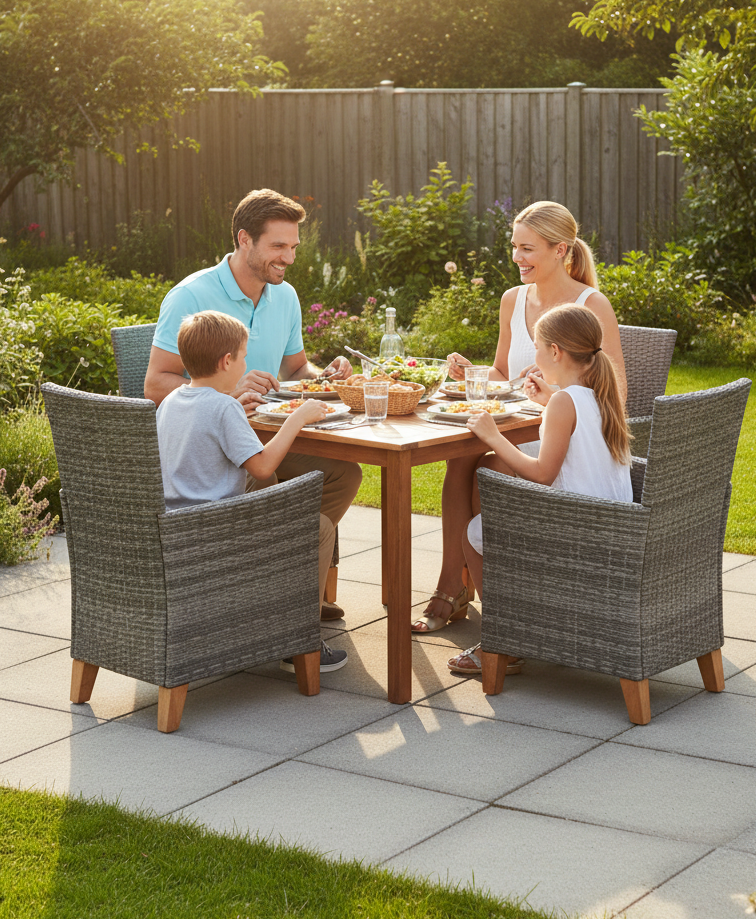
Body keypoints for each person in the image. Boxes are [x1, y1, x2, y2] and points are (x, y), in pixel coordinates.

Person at [145, 188, 361, 620]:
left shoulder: (285, 295)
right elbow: (154, 384)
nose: (288, 258)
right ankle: (283, 598)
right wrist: (225, 391)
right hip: (219, 449)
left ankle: (282, 582)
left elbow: (297, 369)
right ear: (245, 240)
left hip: (262, 437)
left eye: (293, 247)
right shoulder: (191, 297)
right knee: (285, 492)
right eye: (277, 246)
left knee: (341, 472)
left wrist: (327, 377)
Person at [413, 200, 627, 633]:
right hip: (518, 421)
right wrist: (469, 373)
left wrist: (559, 395)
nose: (517, 258)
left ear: (561, 250)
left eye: (528, 249)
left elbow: (616, 388)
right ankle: (453, 585)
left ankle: (506, 600)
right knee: (462, 459)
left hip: (556, 433)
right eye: (514, 247)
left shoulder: (590, 303)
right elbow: (501, 372)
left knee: (486, 468)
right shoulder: (513, 299)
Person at [156, 310, 348, 673]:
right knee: (317, 527)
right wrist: (297, 418)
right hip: (215, 533)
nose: (245, 365)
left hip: (177, 525)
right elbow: (263, 466)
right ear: (227, 361)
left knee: (274, 497)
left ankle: (278, 600)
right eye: (243, 357)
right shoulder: (223, 406)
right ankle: (297, 638)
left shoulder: (173, 401)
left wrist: (238, 420)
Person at [446, 302, 633, 673]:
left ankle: (503, 638)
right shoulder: (597, 394)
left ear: (556, 352)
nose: (532, 355)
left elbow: (543, 474)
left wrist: (493, 436)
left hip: (574, 534)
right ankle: (521, 627)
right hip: (613, 529)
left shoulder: (566, 402)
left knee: (472, 533)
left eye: (536, 346)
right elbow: (574, 428)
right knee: (489, 481)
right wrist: (550, 400)